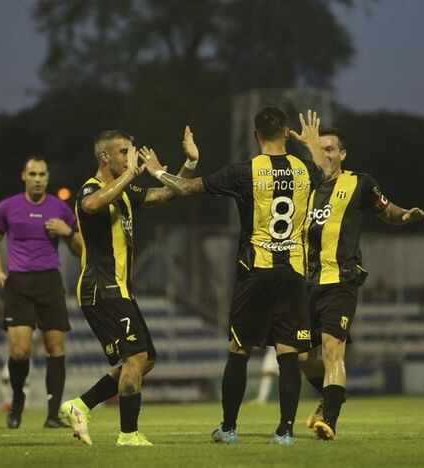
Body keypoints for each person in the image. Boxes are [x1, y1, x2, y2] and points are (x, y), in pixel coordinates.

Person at [139, 107, 328, 445]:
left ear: (255, 136)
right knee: (287, 352)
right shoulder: (306, 169)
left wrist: (157, 172)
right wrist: (311, 143)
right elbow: (325, 171)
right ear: (286, 133)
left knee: (240, 349)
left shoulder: (244, 172)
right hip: (294, 273)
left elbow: (184, 189)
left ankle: (228, 428)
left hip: (255, 271)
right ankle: (284, 432)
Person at [58, 127, 199, 447]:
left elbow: (166, 194)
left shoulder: (124, 191)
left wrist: (187, 165)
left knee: (145, 358)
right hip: (100, 289)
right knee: (136, 357)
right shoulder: (89, 190)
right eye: (124, 152)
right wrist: (132, 174)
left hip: (120, 289)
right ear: (104, 156)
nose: (130, 157)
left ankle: (79, 406)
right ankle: (128, 435)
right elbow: (92, 205)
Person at [299, 127, 424, 440]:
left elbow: (386, 210)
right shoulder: (305, 185)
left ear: (343, 154)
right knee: (302, 359)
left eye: (330, 149)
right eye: (320, 149)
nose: (325, 154)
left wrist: (404, 216)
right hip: (304, 283)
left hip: (341, 281)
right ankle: (334, 394)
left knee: (333, 352)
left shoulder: (360, 183)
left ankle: (329, 419)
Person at [0, 155, 82, 429]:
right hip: (19, 283)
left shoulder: (60, 208)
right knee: (20, 351)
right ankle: (17, 402)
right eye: (33, 174)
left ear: (47, 178)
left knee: (55, 348)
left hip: (50, 281)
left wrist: (68, 232)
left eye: (42, 174)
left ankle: (52, 415)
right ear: (24, 177)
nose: (38, 179)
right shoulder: (7, 207)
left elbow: (79, 248)